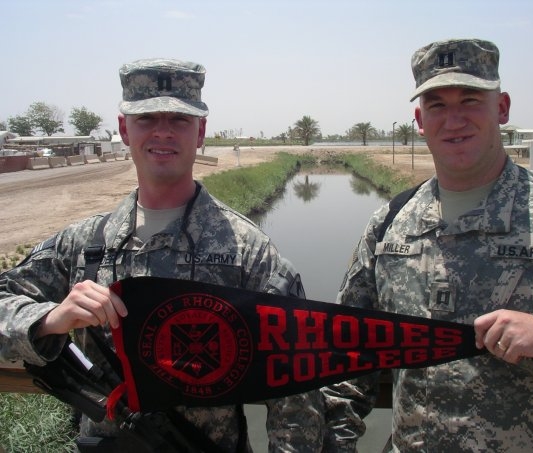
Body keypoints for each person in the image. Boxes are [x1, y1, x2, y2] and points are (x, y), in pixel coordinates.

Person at [0, 58, 325, 452]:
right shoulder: (83, 244)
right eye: (146, 118)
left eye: (179, 120)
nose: (163, 132)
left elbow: (296, 387)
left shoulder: (249, 252)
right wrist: (49, 319)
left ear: (201, 131)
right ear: (123, 129)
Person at [321, 38, 533, 452]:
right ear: (420, 119)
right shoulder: (389, 227)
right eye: (437, 105)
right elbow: (348, 356)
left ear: (502, 108)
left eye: (470, 99)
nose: (454, 120)